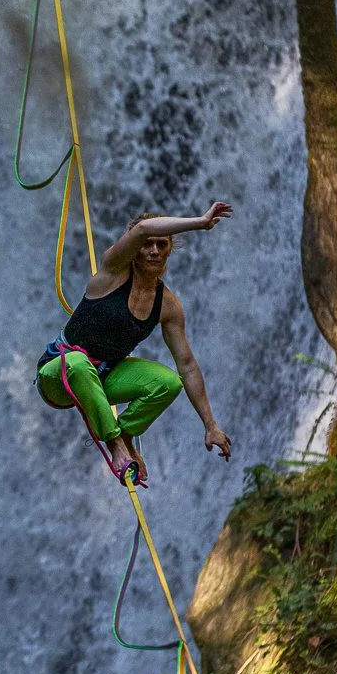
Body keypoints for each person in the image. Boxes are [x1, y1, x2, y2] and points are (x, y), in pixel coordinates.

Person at [37, 207, 235, 484]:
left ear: (169, 250)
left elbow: (187, 367)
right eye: (146, 244)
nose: (153, 250)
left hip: (103, 380)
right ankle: (116, 443)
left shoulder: (168, 305)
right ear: (135, 247)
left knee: (168, 382)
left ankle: (126, 433)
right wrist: (201, 223)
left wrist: (210, 425)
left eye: (161, 244)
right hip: (58, 375)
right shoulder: (112, 271)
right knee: (79, 364)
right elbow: (141, 229)